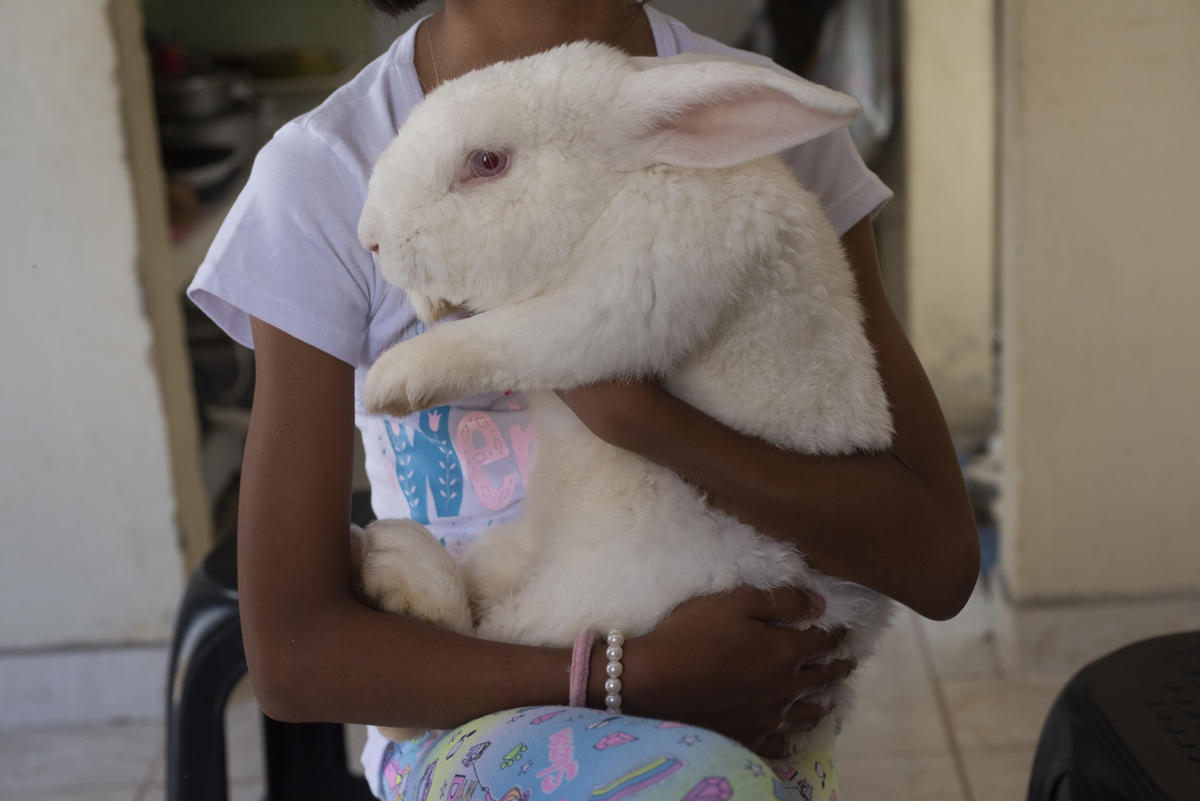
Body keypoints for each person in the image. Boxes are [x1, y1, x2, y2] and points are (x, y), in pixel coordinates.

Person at [188, 1, 979, 798]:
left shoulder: (747, 115)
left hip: (760, 709)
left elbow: (938, 561)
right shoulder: (325, 171)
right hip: (468, 719)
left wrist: (635, 415)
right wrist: (624, 678)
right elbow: (292, 657)